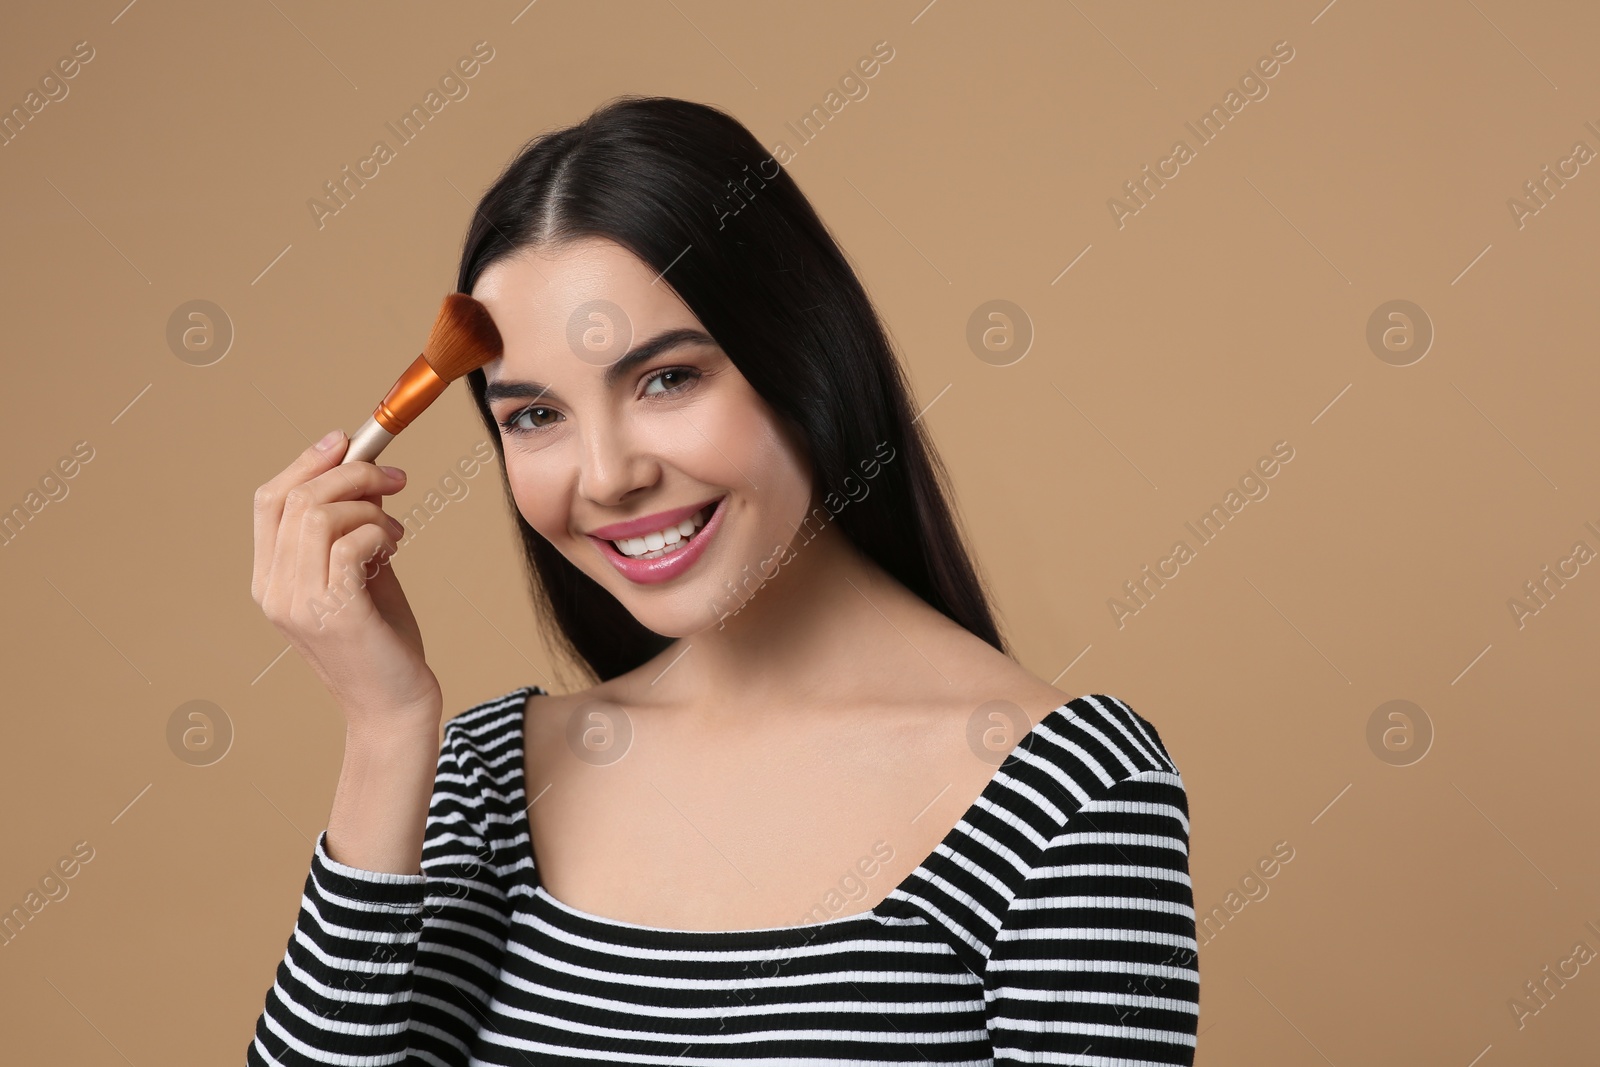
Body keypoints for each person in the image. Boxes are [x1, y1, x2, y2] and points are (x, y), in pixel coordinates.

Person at [246, 95, 1199, 1065]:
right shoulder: (487, 784)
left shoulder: (1064, 794)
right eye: (534, 415)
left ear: (804, 355)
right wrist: (385, 727)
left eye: (665, 379)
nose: (608, 474)